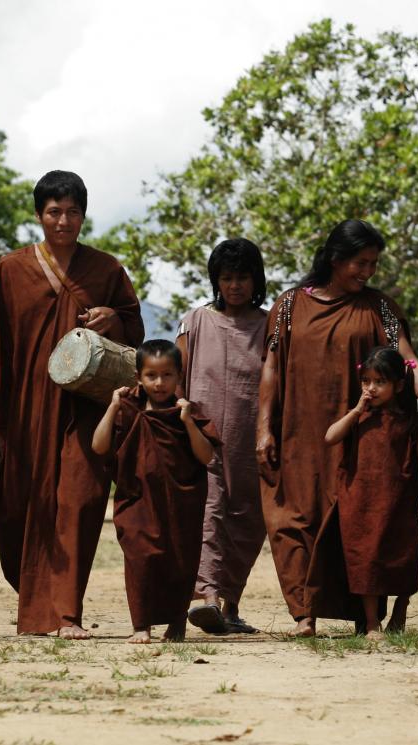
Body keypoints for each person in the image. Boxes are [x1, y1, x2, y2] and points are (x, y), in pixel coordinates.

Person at [256, 219, 418, 637]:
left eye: (373, 264)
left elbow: (408, 360)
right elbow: (271, 369)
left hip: (363, 440)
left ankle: (364, 617)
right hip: (300, 431)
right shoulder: (290, 305)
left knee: (358, 520)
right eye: (360, 263)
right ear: (335, 258)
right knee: (295, 517)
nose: (367, 272)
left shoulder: (378, 306)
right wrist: (264, 428)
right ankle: (303, 614)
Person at [0, 170, 144, 638]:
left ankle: (67, 614)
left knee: (80, 502)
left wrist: (114, 318)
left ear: (83, 216)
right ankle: (37, 598)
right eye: (53, 212)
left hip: (85, 409)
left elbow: (135, 331)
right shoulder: (12, 269)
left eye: (72, 212)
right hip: (24, 408)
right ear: (39, 215)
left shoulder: (105, 270)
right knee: (16, 504)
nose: (63, 221)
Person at [92, 340, 218, 643]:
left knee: (179, 559)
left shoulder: (187, 412)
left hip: (180, 500)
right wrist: (111, 406)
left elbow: (206, 457)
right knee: (140, 557)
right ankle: (141, 626)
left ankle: (176, 624)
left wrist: (188, 423)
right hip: (137, 498)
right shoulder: (128, 408)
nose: (159, 383)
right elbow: (98, 446)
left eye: (167, 375)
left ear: (179, 376)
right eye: (151, 376)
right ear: (138, 377)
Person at [309, 347, 418, 639]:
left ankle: (401, 608)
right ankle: (372, 623)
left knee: (404, 556)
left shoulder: (411, 421)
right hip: (361, 501)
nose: (371, 388)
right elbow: (329, 437)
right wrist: (356, 410)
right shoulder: (359, 418)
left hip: (401, 499)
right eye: (366, 381)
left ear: (399, 385)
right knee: (366, 559)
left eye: (380, 382)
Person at [177, 238, 268, 635]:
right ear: (216, 280)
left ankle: (231, 607)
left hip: (254, 441)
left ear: (256, 280)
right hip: (203, 439)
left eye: (243, 277)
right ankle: (208, 599)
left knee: (249, 519)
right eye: (227, 278)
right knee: (209, 514)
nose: (235, 286)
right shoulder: (195, 320)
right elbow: (176, 375)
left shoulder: (270, 325)